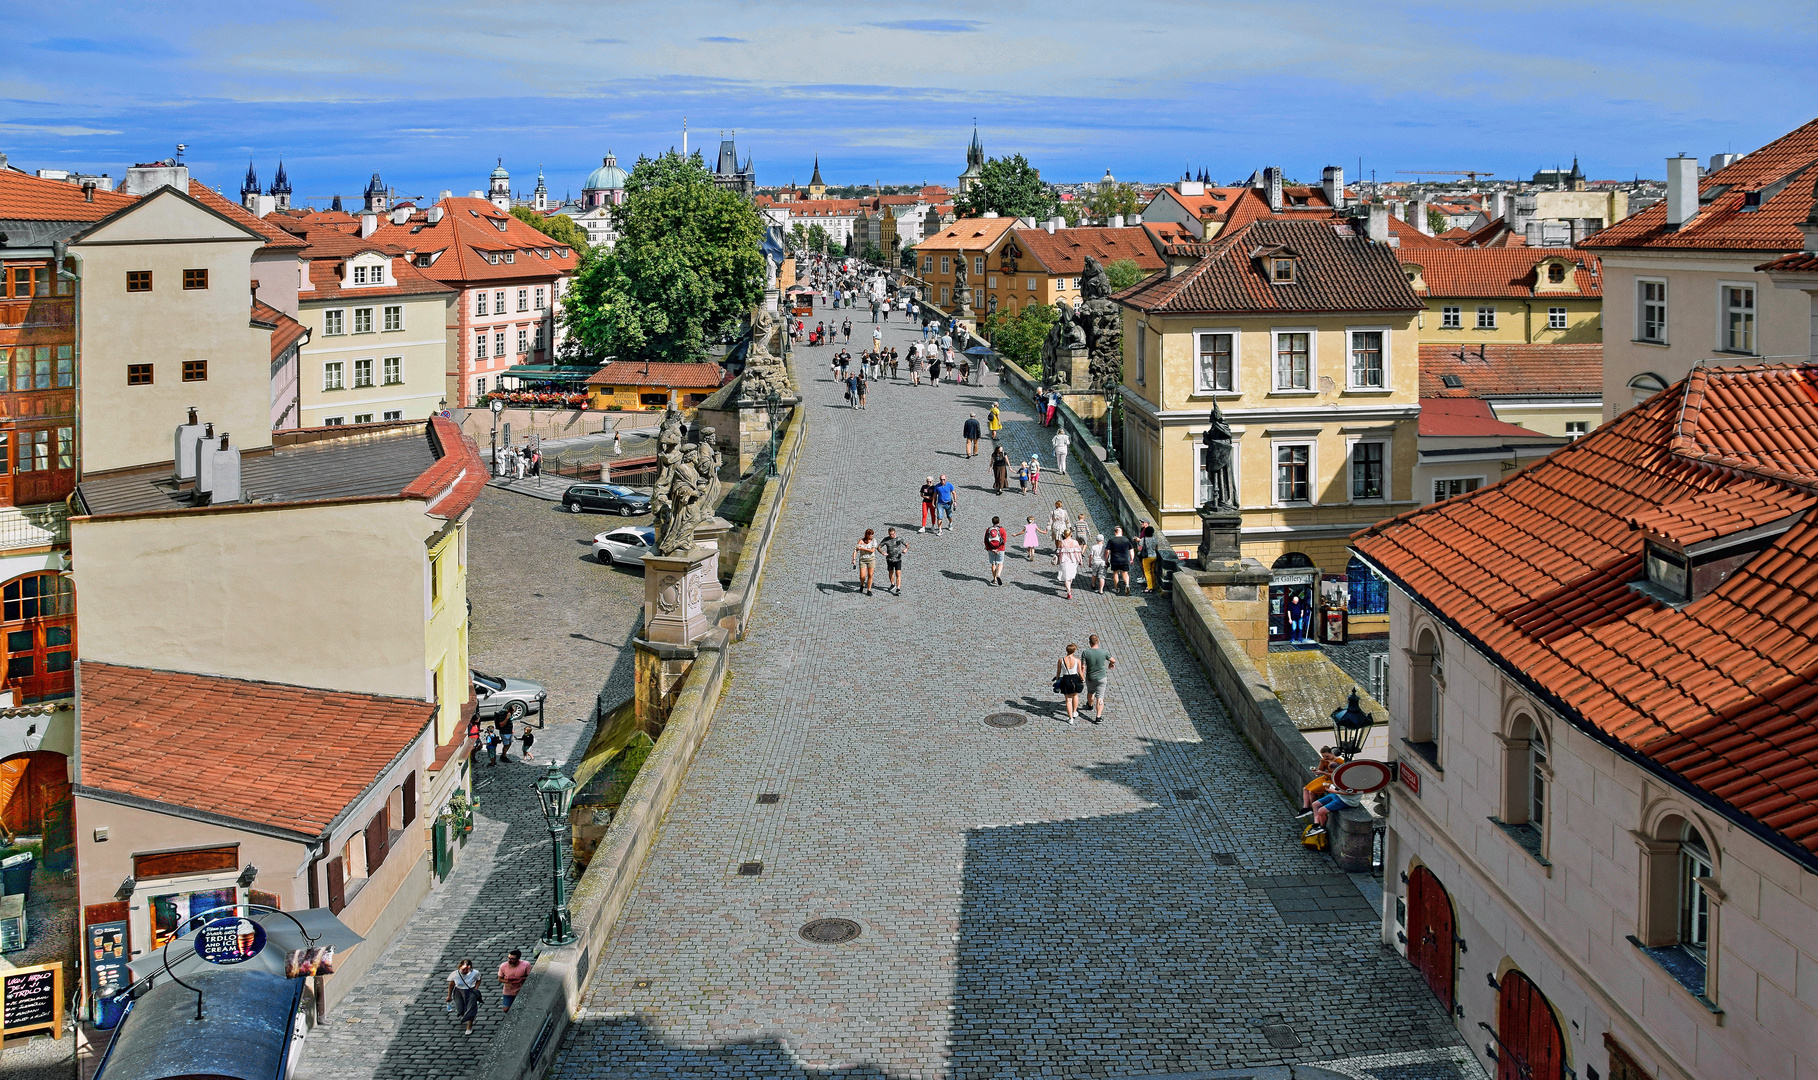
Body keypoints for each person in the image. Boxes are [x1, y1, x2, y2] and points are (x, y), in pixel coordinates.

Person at [1079, 634, 1117, 721]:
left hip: (1090, 677)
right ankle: (1098, 717)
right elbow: (1113, 660)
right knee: (1100, 697)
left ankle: (1090, 705)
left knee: (1090, 692)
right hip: (1102, 678)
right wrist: (1111, 664)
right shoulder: (1104, 652)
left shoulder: (1085, 652)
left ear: (1089, 643)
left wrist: (1082, 677)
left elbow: (1083, 667)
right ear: (1098, 642)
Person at [446, 959, 481, 1035]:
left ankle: (469, 1027)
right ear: (459, 967)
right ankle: (463, 1015)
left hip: (471, 991)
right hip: (459, 991)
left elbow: (478, 980)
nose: (465, 971)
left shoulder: (475, 973)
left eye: (467, 969)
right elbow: (451, 985)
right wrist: (449, 996)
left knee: (471, 1008)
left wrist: (476, 988)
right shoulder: (454, 974)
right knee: (460, 1009)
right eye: (463, 969)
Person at [1054, 643, 1085, 723]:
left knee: (1068, 699)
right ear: (1074, 651)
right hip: (1075, 678)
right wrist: (1083, 679)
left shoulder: (1061, 660)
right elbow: (1080, 672)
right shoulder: (1077, 660)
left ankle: (1070, 718)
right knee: (1075, 695)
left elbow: (1058, 672)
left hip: (1066, 679)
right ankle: (1074, 712)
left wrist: (1057, 680)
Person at [1105, 525, 1135, 596]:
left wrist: (1106, 559)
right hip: (1124, 560)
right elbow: (1131, 550)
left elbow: (1107, 551)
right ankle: (1127, 585)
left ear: (1115, 532)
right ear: (1122, 532)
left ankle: (1116, 588)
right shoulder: (1126, 540)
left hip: (1115, 560)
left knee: (1115, 573)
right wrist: (1131, 559)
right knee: (1125, 573)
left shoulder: (1111, 540)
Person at [879, 527, 908, 595]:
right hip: (890, 559)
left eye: (893, 534)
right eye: (890, 534)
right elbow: (879, 547)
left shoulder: (899, 539)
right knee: (891, 572)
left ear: (895, 532)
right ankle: (892, 584)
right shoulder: (886, 540)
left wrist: (906, 549)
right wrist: (882, 552)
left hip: (898, 559)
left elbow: (907, 544)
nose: (892, 535)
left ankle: (898, 588)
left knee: (898, 573)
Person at [1057, 528, 1082, 599]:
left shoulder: (1062, 542)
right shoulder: (1075, 542)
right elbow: (1079, 553)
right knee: (1070, 576)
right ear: (1070, 534)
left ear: (1064, 535)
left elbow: (1058, 551)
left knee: (1066, 577)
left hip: (1064, 561)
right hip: (1073, 561)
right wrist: (1080, 560)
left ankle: (1069, 591)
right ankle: (1069, 588)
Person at [852, 528, 878, 596]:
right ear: (867, 535)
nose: (872, 536)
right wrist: (854, 559)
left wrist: (862, 548)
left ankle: (869, 590)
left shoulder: (874, 541)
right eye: (871, 535)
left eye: (873, 534)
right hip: (863, 560)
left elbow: (872, 550)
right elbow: (855, 550)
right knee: (862, 576)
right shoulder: (861, 541)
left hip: (871, 560)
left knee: (870, 574)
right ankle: (862, 584)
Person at [983, 516, 1008, 585]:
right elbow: (1004, 540)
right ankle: (998, 575)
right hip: (1000, 549)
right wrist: (998, 549)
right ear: (999, 522)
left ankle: (994, 579)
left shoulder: (989, 529)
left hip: (991, 549)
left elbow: (985, 540)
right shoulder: (1002, 529)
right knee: (1000, 563)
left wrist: (991, 549)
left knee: (993, 564)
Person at [1139, 522, 1161, 593]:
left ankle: (1149, 587)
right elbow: (1156, 548)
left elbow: (1140, 549)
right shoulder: (1155, 539)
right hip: (1154, 556)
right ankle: (1153, 585)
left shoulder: (1143, 539)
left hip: (1147, 557)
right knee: (1152, 572)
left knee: (1147, 572)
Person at [1048, 500, 1071, 564]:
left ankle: (1057, 548)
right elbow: (1067, 520)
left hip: (1055, 526)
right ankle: (1060, 550)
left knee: (1056, 538)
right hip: (1062, 526)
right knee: (1061, 538)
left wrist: (1048, 528)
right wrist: (1069, 527)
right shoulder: (1064, 512)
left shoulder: (1053, 512)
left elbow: (1050, 521)